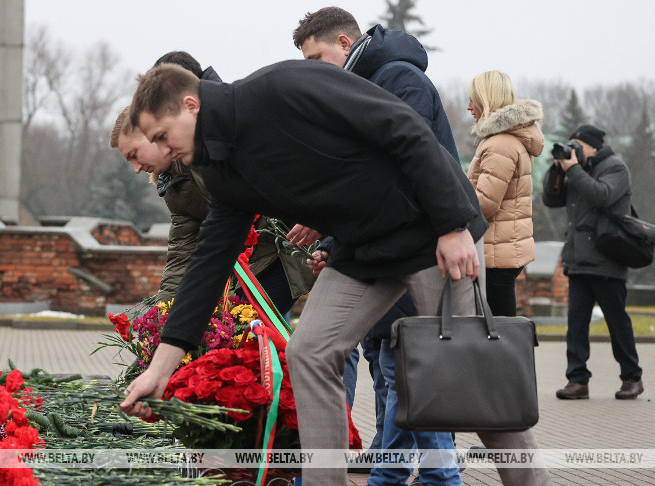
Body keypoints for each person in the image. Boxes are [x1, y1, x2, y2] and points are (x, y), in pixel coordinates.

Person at [120, 61, 552, 486]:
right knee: (309, 351)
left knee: (470, 369)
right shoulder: (221, 171)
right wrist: (160, 370)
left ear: (191, 106)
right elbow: (209, 263)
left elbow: (403, 126)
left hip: (430, 231)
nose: (161, 149)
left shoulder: (281, 88)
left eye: (161, 135)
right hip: (363, 248)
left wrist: (454, 224)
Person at [294, 9, 463, 484]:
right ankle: (388, 479)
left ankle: (438, 479)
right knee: (397, 369)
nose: (313, 68)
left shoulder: (398, 80)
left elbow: (396, 172)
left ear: (345, 43)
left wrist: (327, 222)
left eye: (317, 56)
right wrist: (333, 235)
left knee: (416, 372)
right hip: (381, 250)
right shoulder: (353, 89)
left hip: (421, 250)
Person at [109, 51, 315, 314]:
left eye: (134, 155)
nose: (136, 168)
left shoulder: (217, 144)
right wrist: (163, 309)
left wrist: (314, 214)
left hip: (288, 250)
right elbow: (184, 251)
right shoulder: (173, 186)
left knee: (262, 337)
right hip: (251, 265)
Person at [543, 124, 644, 400]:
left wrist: (573, 169)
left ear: (593, 147)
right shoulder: (576, 170)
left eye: (578, 144)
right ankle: (577, 381)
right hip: (578, 260)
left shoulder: (615, 167)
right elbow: (551, 199)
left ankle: (632, 377)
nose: (573, 149)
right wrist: (556, 169)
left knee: (617, 323)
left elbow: (602, 195)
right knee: (576, 325)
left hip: (607, 259)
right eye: (570, 144)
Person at [466, 71, 543, 316]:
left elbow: (485, 204)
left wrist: (451, 210)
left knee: (498, 331)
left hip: (495, 250)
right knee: (499, 328)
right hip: (501, 246)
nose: (469, 107)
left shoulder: (499, 144)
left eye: (473, 100)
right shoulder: (507, 140)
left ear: (487, 101)